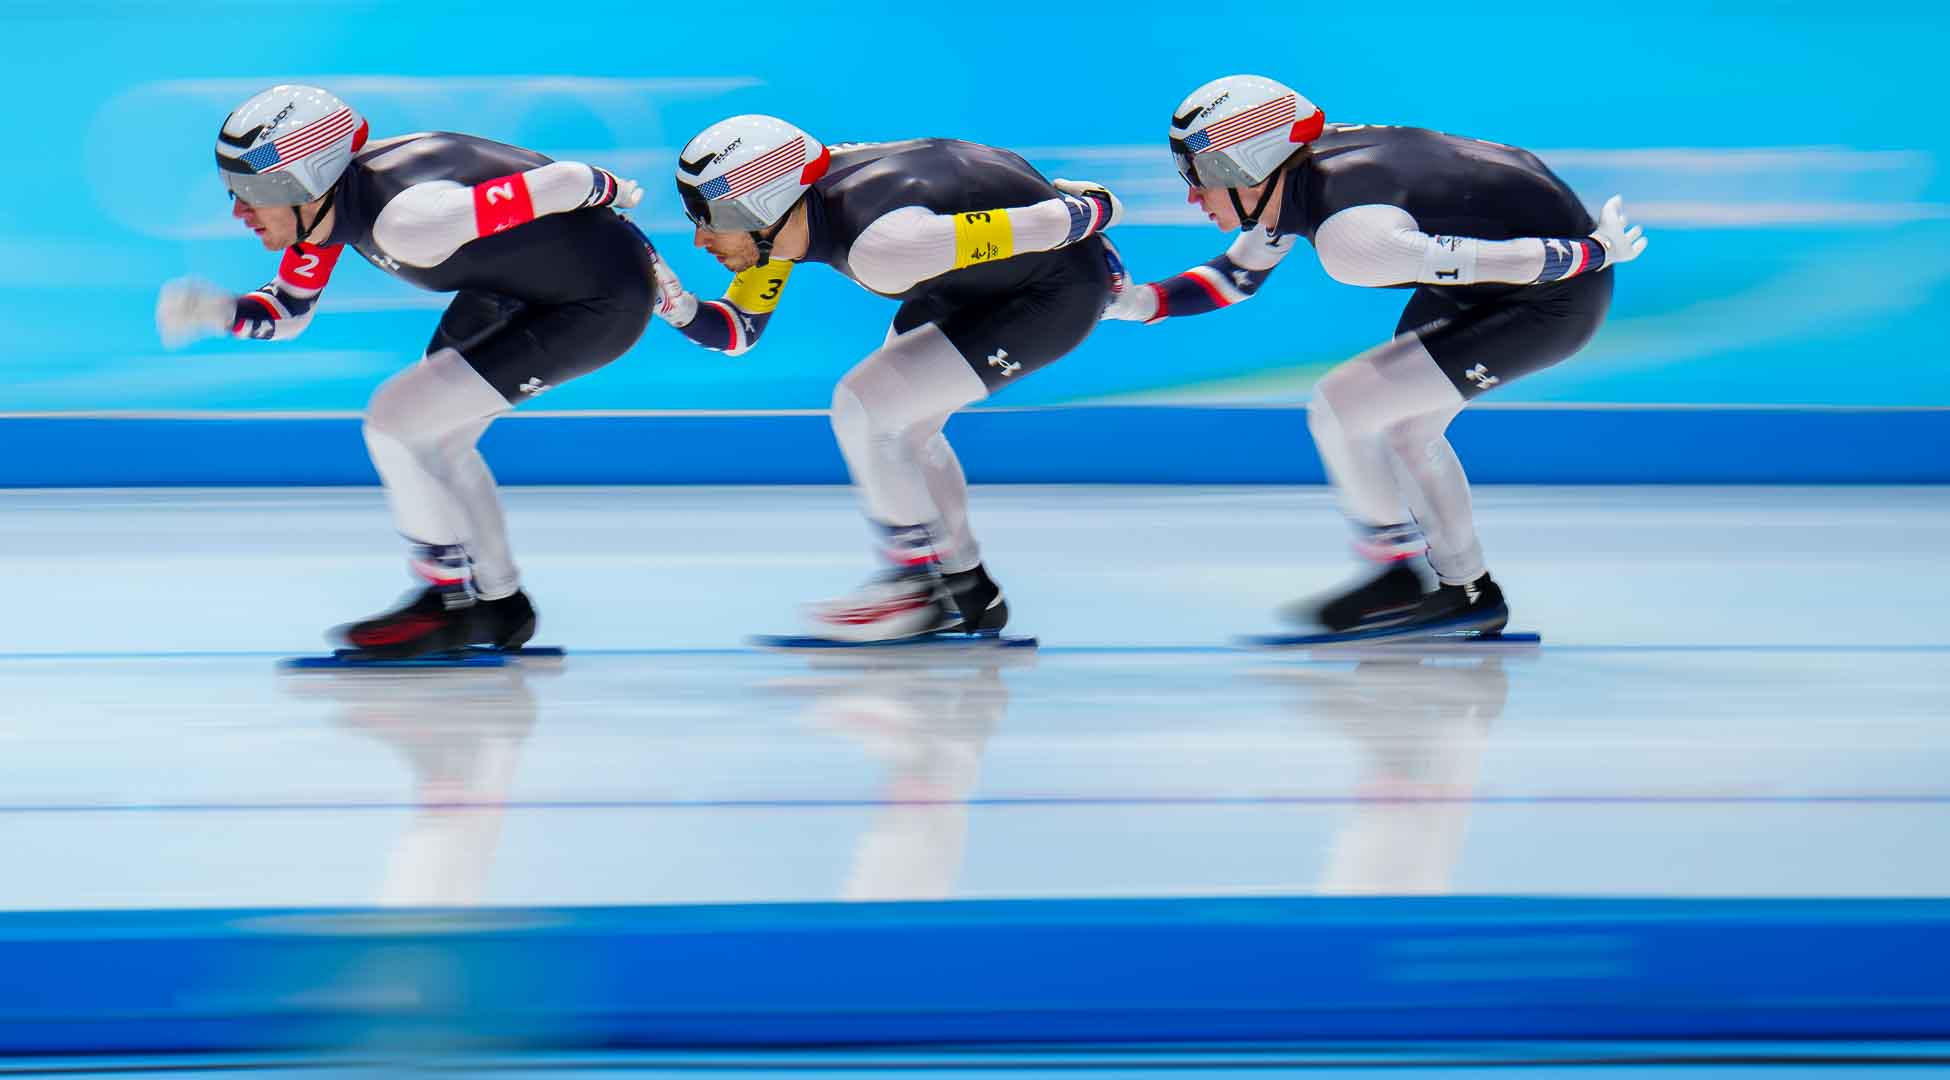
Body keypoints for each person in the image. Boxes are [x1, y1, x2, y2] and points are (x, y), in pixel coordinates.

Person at [1103, 75, 1647, 636]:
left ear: (1248, 162)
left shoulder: (1352, 239)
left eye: (1202, 174)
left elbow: (1505, 261)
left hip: (1551, 294)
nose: (1193, 194)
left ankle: (1402, 578)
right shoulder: (1296, 176)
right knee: (1400, 428)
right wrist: (1135, 303)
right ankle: (1465, 590)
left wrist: (1592, 253)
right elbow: (1237, 275)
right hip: (1496, 279)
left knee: (1345, 404)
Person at [156, 84, 653, 658]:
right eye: (233, 190)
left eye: (251, 190)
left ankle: (448, 602)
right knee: (434, 439)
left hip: (595, 302)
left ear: (307, 179)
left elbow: (565, 182)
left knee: (397, 421)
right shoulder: (328, 208)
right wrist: (218, 312)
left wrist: (613, 197)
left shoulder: (407, 219)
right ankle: (498, 602)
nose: (238, 211)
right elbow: (288, 312)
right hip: (517, 289)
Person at [648, 115, 1124, 641]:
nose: (699, 238)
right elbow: (737, 331)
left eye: (709, 216)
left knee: (867, 407)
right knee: (902, 426)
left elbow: (1066, 222)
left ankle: (914, 588)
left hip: (1052, 292)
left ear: (759, 206)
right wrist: (678, 308)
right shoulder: (790, 210)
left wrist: (1097, 205)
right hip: (977, 281)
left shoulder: (884, 247)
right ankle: (965, 589)